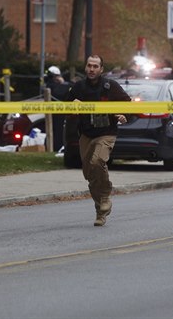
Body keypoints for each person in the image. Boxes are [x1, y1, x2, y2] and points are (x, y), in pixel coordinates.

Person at [65, 55, 131, 226]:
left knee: (97, 161)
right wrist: (73, 104)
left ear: (101, 69)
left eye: (95, 66)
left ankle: (106, 195)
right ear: (85, 67)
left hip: (106, 133)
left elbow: (128, 104)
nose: (92, 69)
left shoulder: (111, 87)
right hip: (86, 134)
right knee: (90, 174)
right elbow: (64, 106)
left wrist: (125, 115)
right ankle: (100, 210)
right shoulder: (78, 87)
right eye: (89, 66)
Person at [45, 66, 73, 151]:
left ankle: (55, 146)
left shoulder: (51, 84)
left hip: (58, 111)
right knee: (57, 130)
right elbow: (60, 92)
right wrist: (63, 83)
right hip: (57, 111)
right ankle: (56, 147)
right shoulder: (52, 85)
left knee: (57, 130)